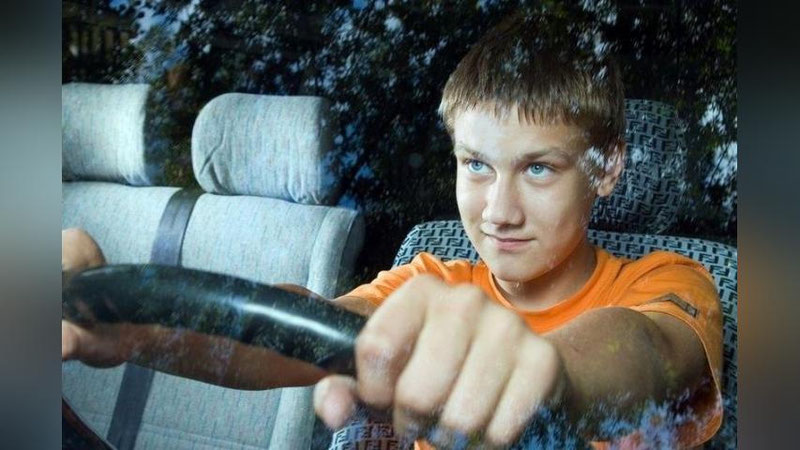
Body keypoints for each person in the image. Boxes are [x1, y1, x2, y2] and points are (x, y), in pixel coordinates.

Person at [62, 13, 723, 450]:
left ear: (606, 169)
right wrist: (138, 328)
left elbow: (645, 352)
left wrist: (549, 379)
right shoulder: (429, 279)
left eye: (539, 169)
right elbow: (298, 329)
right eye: (477, 165)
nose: (499, 211)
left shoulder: (671, 279)